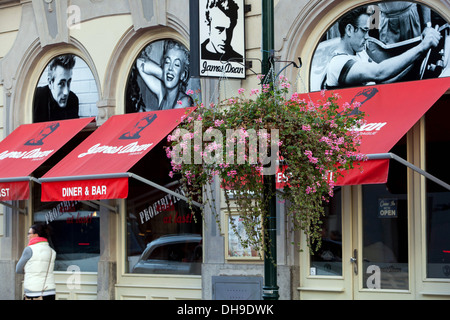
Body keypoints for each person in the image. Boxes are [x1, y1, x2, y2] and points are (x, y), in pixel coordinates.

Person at [325, 6, 441, 89]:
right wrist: (421, 47)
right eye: (364, 31)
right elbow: (379, 72)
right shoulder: (338, 64)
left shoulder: (359, 52)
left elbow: (385, 80)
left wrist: (419, 56)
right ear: (349, 30)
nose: (367, 37)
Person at [137, 40, 193, 110]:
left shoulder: (185, 101)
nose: (170, 68)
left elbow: (171, 121)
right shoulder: (162, 94)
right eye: (167, 62)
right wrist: (165, 74)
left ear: (183, 75)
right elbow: (140, 63)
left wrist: (171, 76)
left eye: (176, 65)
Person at [33, 55, 79, 123]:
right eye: (61, 84)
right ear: (50, 83)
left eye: (69, 82)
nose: (66, 92)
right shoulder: (36, 97)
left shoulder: (73, 100)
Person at [16, 223, 56, 300]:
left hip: (33, 291)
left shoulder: (29, 249)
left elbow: (18, 269)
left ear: (36, 235)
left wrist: (29, 270)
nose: (27, 236)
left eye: (29, 233)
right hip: (50, 290)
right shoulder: (52, 251)